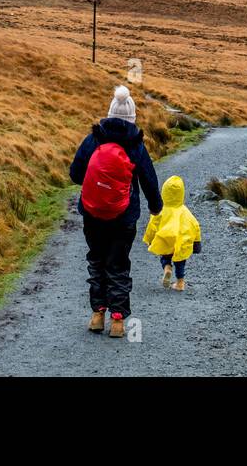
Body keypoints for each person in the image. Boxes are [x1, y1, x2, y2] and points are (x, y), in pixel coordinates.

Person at [69, 85, 162, 338]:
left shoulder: (93, 139)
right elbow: (149, 181)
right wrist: (156, 207)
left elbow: (75, 174)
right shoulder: (136, 146)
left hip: (92, 212)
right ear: (132, 118)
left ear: (109, 114)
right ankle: (118, 321)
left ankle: (97, 315)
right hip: (124, 217)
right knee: (118, 264)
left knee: (96, 260)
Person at [142, 175, 202, 292]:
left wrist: (149, 239)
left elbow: (152, 225)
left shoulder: (160, 210)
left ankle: (167, 267)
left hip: (166, 240)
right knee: (180, 261)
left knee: (165, 257)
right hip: (180, 241)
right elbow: (195, 225)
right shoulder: (185, 211)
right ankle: (180, 283)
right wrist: (197, 243)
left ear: (164, 192)